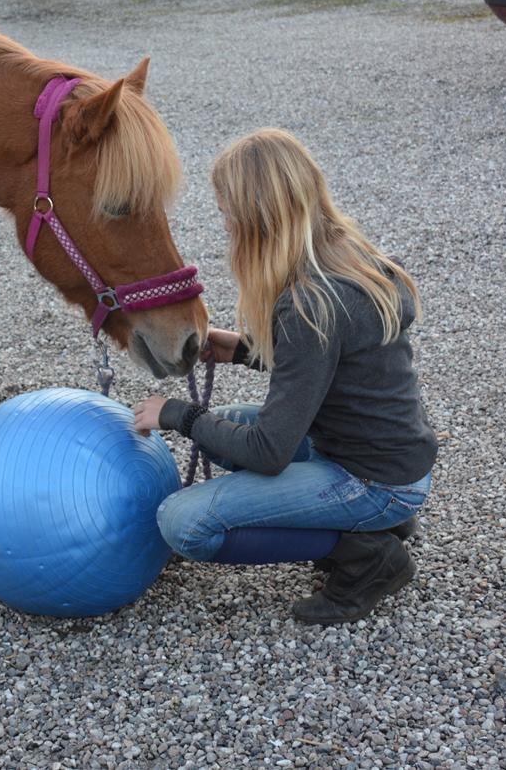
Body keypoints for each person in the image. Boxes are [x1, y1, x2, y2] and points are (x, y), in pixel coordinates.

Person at [133, 128, 437, 625]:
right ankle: (382, 524)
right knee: (225, 427)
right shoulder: (352, 260)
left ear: (257, 221)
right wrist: (239, 350)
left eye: (228, 214)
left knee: (181, 522)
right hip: (389, 458)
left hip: (372, 480)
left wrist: (177, 414)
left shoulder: (309, 306)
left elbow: (269, 453)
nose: (226, 224)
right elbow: (326, 364)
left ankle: (367, 557)